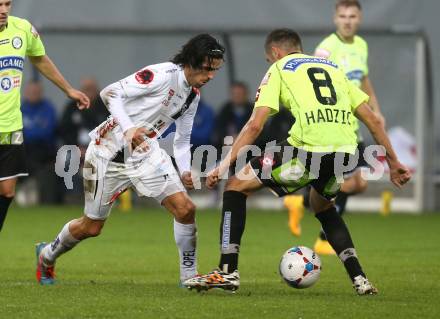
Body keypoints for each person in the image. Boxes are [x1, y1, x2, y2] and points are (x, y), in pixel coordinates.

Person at [183, 28, 410, 295]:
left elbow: (255, 125)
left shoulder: (280, 68)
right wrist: (394, 162)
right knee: (322, 205)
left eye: (269, 59)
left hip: (308, 149)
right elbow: (371, 119)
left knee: (235, 185)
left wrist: (222, 165)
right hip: (346, 153)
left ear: (276, 53)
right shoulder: (334, 68)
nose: (271, 63)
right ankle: (360, 280)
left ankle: (227, 271)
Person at [35, 34, 225, 285]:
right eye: (208, 68)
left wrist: (186, 169)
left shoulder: (193, 95)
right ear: (192, 60)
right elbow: (109, 93)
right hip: (105, 154)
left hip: (145, 155)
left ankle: (189, 277)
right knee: (91, 227)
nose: (211, 75)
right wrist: (128, 128)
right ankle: (47, 256)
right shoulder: (161, 74)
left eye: (215, 70)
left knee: (186, 209)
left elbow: (182, 138)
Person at [285, 0, 386, 254]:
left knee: (356, 183)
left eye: (352, 16)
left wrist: (376, 109)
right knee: (347, 181)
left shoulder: (361, 45)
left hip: (354, 128)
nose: (348, 21)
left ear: (359, 18)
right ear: (335, 19)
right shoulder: (325, 49)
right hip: (335, 128)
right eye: (343, 16)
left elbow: (362, 79)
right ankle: (319, 229)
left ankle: (302, 203)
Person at [0, 0, 89, 232]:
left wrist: (68, 89)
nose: (3, 10)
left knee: (7, 190)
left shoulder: (22, 29)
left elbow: (39, 57)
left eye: (7, 4)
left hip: (11, 126)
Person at [21, 80, 59, 203]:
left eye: (36, 92)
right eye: (31, 92)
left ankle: (45, 200)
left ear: (41, 93)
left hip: (44, 151)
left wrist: (29, 133)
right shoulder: (19, 109)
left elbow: (47, 132)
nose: (33, 94)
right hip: (24, 149)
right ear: (25, 93)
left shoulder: (48, 109)